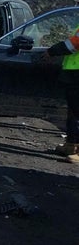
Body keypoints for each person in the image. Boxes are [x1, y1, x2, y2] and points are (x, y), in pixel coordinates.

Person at [45, 26, 79, 162]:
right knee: (73, 112)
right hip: (74, 75)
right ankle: (71, 146)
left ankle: (76, 150)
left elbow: (74, 44)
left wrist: (51, 51)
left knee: (77, 113)